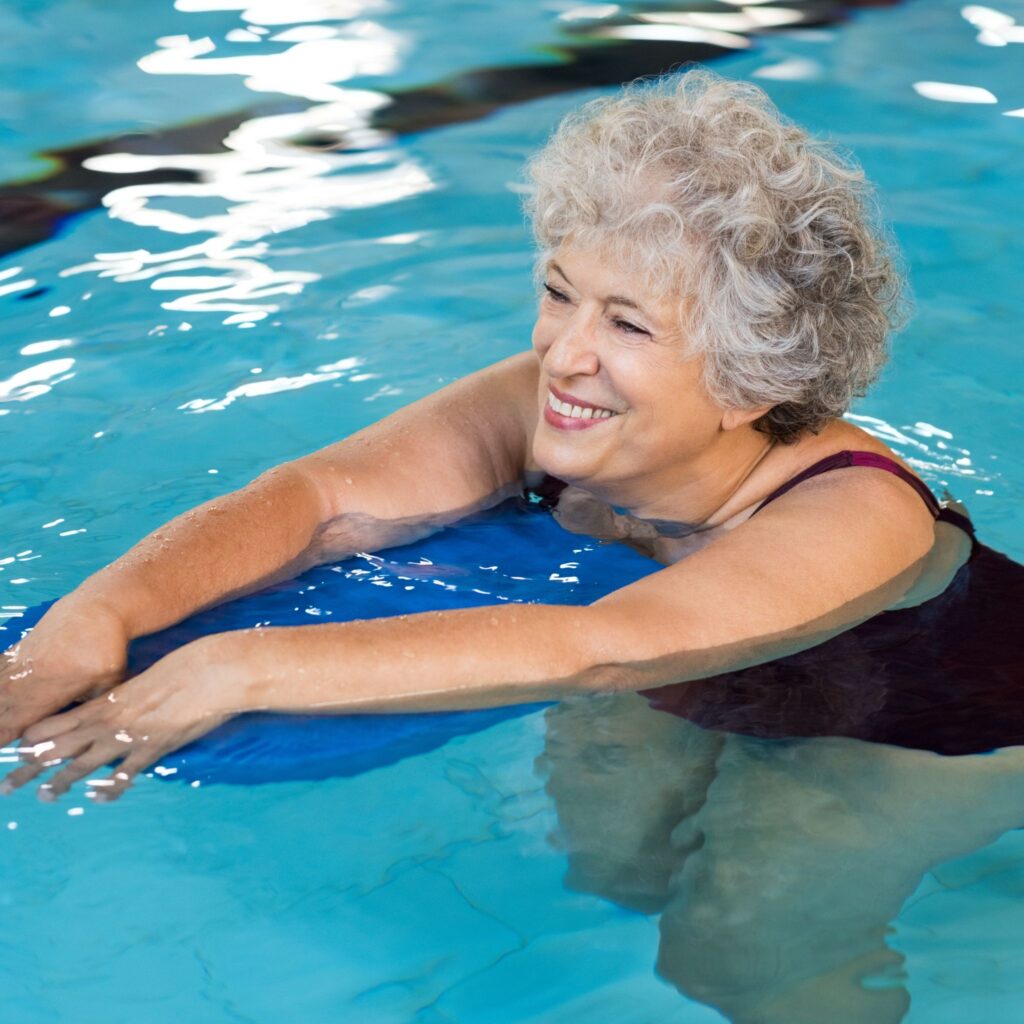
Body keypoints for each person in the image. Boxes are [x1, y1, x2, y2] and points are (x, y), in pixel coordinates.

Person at [0, 69, 975, 802]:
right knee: (611, 874)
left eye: (627, 324)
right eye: (559, 293)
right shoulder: (555, 401)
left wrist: (241, 662)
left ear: (749, 382)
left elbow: (607, 644)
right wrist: (103, 610)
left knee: (741, 943)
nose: (563, 354)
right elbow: (320, 499)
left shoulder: (854, 511)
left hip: (907, 717)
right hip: (673, 672)